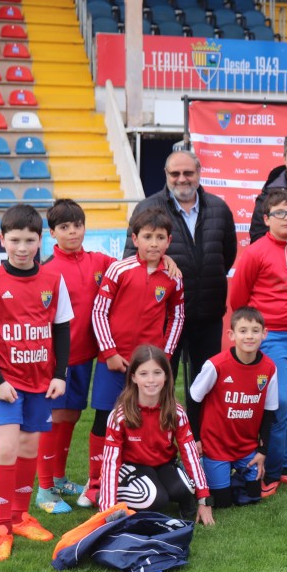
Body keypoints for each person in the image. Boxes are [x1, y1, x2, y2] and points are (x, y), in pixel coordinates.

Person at [0, 204, 74, 562]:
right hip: (5, 383)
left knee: (29, 447)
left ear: (40, 240)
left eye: (29, 240)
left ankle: (19, 516)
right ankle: (1, 527)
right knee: (4, 449)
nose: (22, 247)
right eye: (14, 240)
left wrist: (60, 375)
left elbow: (62, 330)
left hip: (41, 382)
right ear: (2, 240)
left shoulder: (52, 281)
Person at [126, 150, 236, 416]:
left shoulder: (219, 208)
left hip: (207, 315)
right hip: (162, 318)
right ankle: (160, 447)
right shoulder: (147, 208)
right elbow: (132, 260)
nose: (182, 179)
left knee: (205, 383)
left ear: (198, 174)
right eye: (175, 173)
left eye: (188, 173)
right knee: (160, 381)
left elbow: (227, 255)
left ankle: (200, 443)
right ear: (166, 175)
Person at [88, 207, 185, 508]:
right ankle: (96, 483)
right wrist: (110, 353)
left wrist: (164, 358)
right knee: (105, 418)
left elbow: (177, 316)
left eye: (160, 238)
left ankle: (143, 470)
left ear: (169, 241)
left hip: (149, 369)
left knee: (147, 418)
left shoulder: (173, 277)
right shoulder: (119, 270)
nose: (153, 243)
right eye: (147, 237)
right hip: (114, 363)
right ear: (135, 238)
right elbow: (99, 311)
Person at [227, 189, 287, 495]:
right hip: (273, 336)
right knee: (278, 406)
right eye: (280, 213)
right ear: (266, 219)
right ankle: (269, 472)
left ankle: (286, 467)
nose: (286, 219)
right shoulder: (254, 252)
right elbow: (239, 300)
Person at [34, 199, 116, 515]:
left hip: (86, 356)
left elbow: (131, 266)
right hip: (58, 360)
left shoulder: (99, 261)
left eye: (77, 225)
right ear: (52, 233)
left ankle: (59, 477)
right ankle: (44, 491)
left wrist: (168, 263)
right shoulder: (47, 271)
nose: (72, 232)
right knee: (54, 419)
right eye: (64, 227)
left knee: (71, 417)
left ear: (85, 227)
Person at [99, 345, 213, 526]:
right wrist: (107, 508)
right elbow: (111, 462)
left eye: (157, 373)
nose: (151, 380)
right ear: (133, 377)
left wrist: (204, 499)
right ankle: (111, 492)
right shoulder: (120, 416)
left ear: (166, 375)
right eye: (144, 374)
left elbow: (190, 453)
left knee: (186, 488)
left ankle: (169, 491)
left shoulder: (176, 411)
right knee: (155, 499)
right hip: (133, 466)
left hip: (164, 464)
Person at [189, 307, 278, 510]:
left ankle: (236, 475)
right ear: (231, 335)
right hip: (215, 446)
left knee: (253, 496)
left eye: (255, 331)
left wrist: (262, 451)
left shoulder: (269, 368)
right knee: (222, 503)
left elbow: (269, 412)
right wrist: (195, 439)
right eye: (243, 330)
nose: (249, 336)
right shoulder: (216, 365)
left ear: (264, 334)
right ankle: (199, 468)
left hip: (246, 447)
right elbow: (193, 400)